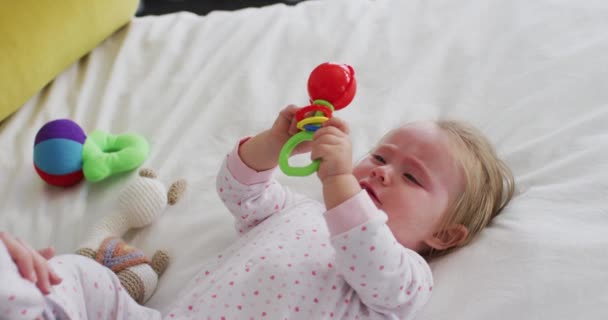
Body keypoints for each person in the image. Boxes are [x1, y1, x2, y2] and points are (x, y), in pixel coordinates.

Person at [0, 105, 514, 319]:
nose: (380, 171)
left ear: (445, 234)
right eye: (379, 156)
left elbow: (365, 250)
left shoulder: (405, 277)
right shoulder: (300, 211)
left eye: (411, 176)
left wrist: (338, 181)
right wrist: (272, 142)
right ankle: (33, 297)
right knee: (83, 274)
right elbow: (239, 190)